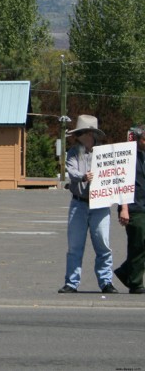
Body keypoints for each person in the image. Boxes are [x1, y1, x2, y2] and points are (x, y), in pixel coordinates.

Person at [59, 115, 118, 294]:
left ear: (90, 134)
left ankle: (106, 281)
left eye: (82, 133)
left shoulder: (104, 154)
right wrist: (84, 177)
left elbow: (115, 174)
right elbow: (72, 171)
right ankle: (71, 282)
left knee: (103, 244)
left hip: (100, 204)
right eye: (79, 133)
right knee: (75, 246)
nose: (79, 136)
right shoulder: (73, 152)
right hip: (79, 203)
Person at [115, 126, 145, 294]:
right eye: (144, 140)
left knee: (141, 245)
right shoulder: (128, 157)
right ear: (138, 140)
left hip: (144, 205)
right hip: (133, 208)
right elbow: (122, 184)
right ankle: (135, 283)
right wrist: (124, 209)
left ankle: (125, 271)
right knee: (137, 244)